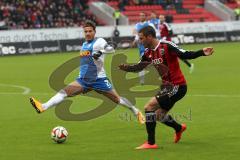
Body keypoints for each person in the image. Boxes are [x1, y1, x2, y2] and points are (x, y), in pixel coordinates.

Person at [29, 20, 145, 124]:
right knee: (64, 92)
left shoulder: (99, 41)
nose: (88, 33)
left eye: (90, 31)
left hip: (99, 80)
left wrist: (100, 52)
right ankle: (43, 106)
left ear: (94, 31)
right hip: (83, 80)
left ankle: (136, 112)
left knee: (117, 100)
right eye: (86, 31)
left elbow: (111, 49)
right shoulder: (84, 45)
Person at [119, 26, 214, 149]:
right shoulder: (147, 53)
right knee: (159, 115)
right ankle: (179, 128)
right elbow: (139, 66)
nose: (139, 41)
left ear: (149, 37)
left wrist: (202, 52)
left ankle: (151, 143)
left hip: (178, 86)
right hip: (166, 88)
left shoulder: (166, 46)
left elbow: (184, 54)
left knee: (149, 107)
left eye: (141, 38)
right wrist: (126, 68)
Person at [132, 12, 157, 85]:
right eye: (140, 15)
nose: (141, 17)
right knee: (142, 63)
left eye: (143, 15)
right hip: (141, 47)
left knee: (153, 62)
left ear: (145, 17)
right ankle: (142, 81)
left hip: (150, 47)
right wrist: (135, 40)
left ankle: (154, 78)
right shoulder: (137, 25)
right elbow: (137, 35)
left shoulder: (149, 24)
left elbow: (155, 34)